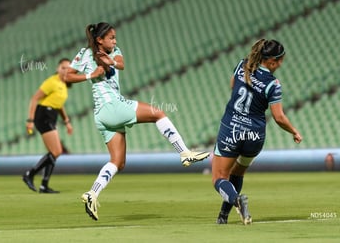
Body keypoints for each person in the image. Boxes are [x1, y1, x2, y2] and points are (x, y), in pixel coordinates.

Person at [64, 22, 210, 221]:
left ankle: (92, 194)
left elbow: (121, 64)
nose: (115, 41)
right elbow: (67, 76)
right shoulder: (86, 53)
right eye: (111, 38)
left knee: (118, 162)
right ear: (99, 39)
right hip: (112, 105)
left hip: (102, 115)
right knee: (158, 113)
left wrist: (110, 61)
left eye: (115, 37)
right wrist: (90, 74)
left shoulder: (114, 51)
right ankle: (184, 153)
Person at [211, 39, 302, 225]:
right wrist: (294, 131)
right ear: (271, 61)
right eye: (280, 61)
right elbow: (278, 117)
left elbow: (232, 87)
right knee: (237, 173)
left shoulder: (242, 66)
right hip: (255, 135)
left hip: (232, 128)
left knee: (219, 177)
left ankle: (236, 200)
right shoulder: (273, 84)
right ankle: (223, 216)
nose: (281, 65)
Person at [22, 58, 73, 193]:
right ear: (57, 69)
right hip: (43, 115)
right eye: (63, 67)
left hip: (52, 115)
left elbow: (59, 105)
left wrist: (67, 121)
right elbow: (34, 98)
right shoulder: (52, 82)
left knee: (53, 153)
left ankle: (44, 185)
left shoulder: (64, 85)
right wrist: (30, 120)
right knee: (57, 151)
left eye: (68, 68)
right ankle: (30, 174)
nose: (66, 70)